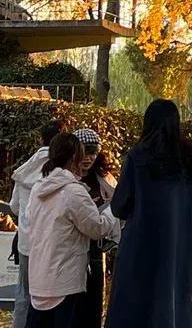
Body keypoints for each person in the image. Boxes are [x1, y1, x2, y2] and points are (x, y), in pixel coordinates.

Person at [105, 99, 192, 328]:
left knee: (134, 312)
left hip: (139, 250)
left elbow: (118, 206)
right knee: (173, 309)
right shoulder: (191, 160)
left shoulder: (137, 157)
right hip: (179, 251)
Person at [25, 132, 119, 327]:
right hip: (65, 278)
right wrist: (113, 209)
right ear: (75, 157)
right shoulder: (73, 191)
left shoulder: (38, 187)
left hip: (40, 276)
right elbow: (97, 228)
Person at [10, 121, 64, 328]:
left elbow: (14, 207)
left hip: (26, 241)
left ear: (41, 140)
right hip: (52, 242)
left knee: (24, 292)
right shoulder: (61, 170)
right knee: (50, 297)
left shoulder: (24, 169)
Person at [73, 129, 117, 328]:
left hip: (97, 252)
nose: (88, 158)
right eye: (84, 152)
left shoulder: (103, 179)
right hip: (71, 252)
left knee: (94, 306)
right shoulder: (66, 178)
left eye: (93, 153)